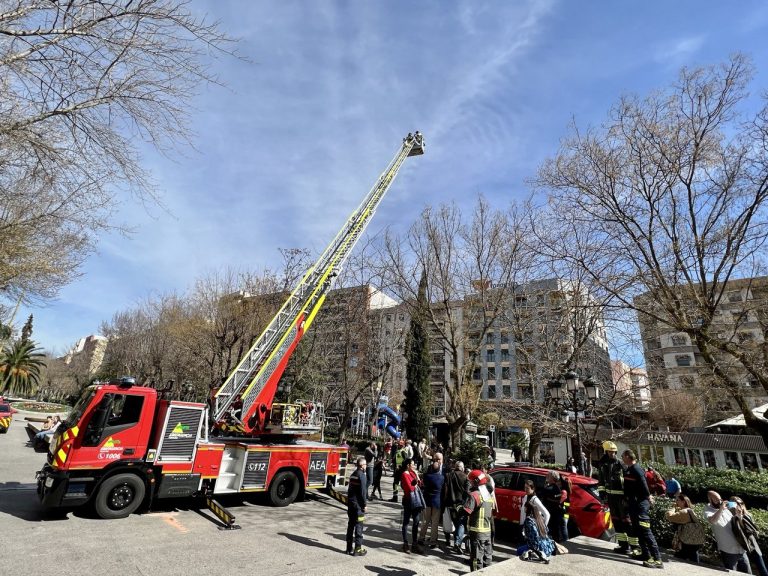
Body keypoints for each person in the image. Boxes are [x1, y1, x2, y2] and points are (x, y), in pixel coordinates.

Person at [622, 449, 663, 569]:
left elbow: (644, 485)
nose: (622, 458)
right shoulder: (629, 469)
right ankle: (646, 555)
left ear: (629, 457)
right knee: (638, 530)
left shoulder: (636, 469)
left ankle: (657, 559)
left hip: (640, 504)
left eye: (623, 456)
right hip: (634, 504)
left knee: (645, 531)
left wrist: (648, 497)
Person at [598, 440, 635, 555]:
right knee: (616, 522)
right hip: (611, 498)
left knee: (627, 522)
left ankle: (635, 547)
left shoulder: (621, 464)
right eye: (609, 452)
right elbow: (601, 482)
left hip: (622, 499)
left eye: (613, 452)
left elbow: (628, 482)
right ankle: (624, 546)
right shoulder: (603, 465)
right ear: (605, 452)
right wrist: (602, 495)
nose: (612, 454)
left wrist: (627, 497)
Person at [705, 491, 750, 573]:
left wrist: (739, 516)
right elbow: (713, 521)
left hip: (741, 547)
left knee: (748, 573)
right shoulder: (708, 510)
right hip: (728, 550)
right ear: (710, 500)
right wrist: (721, 508)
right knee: (732, 573)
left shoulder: (726, 509)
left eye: (720, 499)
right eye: (717, 500)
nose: (720, 501)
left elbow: (734, 524)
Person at [464, 470, 494, 571]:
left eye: (471, 481)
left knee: (476, 560)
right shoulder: (488, 494)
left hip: (477, 533)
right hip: (487, 532)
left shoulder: (475, 495)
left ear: (475, 481)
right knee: (487, 559)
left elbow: (467, 511)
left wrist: (458, 507)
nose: (470, 483)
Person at [520, 479, 554, 563]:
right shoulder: (525, 497)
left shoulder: (535, 499)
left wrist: (541, 528)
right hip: (525, 527)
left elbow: (547, 514)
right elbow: (523, 512)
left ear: (533, 489)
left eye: (527, 488)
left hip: (532, 529)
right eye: (525, 488)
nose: (526, 490)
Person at [731, 496, 766, 576]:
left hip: (751, 543)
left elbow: (751, 530)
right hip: (740, 545)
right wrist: (738, 517)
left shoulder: (748, 514)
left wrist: (741, 517)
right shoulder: (730, 516)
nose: (739, 505)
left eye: (741, 503)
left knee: (760, 565)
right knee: (745, 567)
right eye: (736, 503)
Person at [666, 493, 703, 563]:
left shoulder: (684, 512)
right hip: (695, 538)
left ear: (683, 502)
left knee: (683, 555)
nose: (676, 502)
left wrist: (673, 507)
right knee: (693, 555)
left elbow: (669, 517)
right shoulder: (690, 510)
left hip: (686, 539)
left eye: (677, 500)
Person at [417, 455, 445, 549]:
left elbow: (423, 485)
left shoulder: (426, 476)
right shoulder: (442, 478)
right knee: (435, 523)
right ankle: (433, 541)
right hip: (437, 502)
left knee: (425, 521)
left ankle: (421, 538)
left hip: (427, 501)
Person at [443, 460, 469, 554]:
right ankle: (457, 543)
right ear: (462, 468)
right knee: (460, 524)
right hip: (460, 505)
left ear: (455, 467)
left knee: (451, 523)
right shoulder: (466, 477)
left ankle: (449, 540)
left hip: (450, 504)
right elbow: (467, 493)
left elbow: (445, 490)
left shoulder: (448, 475)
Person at [400, 458, 424, 554]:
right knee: (406, 522)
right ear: (408, 465)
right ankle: (405, 544)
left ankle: (414, 544)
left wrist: (417, 476)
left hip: (416, 501)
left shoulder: (413, 473)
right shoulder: (404, 474)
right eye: (412, 464)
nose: (414, 466)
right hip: (408, 501)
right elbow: (410, 488)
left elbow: (420, 484)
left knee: (416, 522)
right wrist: (416, 483)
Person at [345, 456, 368, 556]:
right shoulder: (362, 475)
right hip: (358, 506)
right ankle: (358, 549)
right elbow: (363, 492)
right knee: (359, 526)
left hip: (351, 504)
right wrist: (364, 504)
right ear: (362, 465)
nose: (366, 466)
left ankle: (348, 548)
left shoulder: (353, 474)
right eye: (366, 464)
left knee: (350, 525)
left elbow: (349, 490)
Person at [541, 470, 568, 543]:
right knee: (560, 529)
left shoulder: (548, 489)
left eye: (548, 476)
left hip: (551, 514)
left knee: (554, 531)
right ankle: (564, 543)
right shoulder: (558, 488)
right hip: (559, 512)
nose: (546, 476)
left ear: (552, 478)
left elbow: (543, 500)